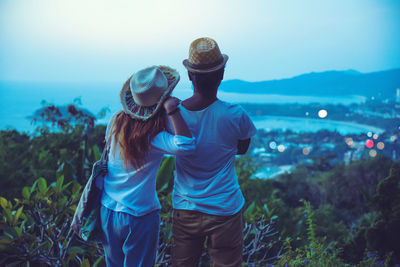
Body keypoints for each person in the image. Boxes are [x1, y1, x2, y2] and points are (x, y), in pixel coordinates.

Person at [171, 37, 257, 267]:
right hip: (225, 208)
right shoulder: (235, 114)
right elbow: (242, 147)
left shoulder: (174, 115)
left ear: (190, 75)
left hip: (185, 207)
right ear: (221, 75)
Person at [100, 66, 195, 267]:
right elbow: (187, 145)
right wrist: (173, 111)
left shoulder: (115, 122)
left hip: (108, 209)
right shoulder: (154, 136)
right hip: (139, 214)